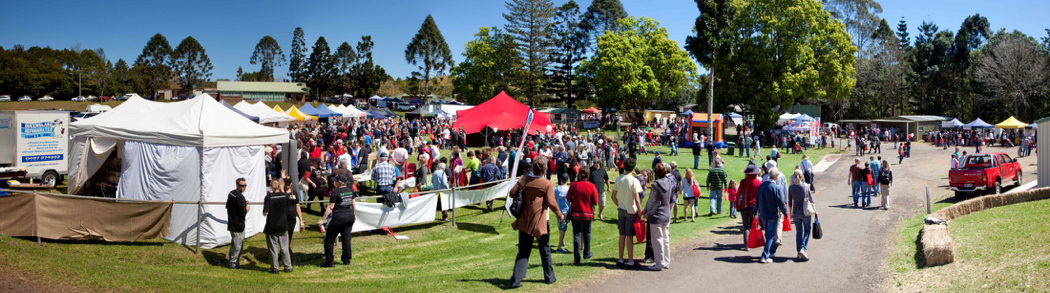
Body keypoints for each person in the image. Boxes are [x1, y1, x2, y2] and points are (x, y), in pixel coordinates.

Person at [508, 156, 564, 288]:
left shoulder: (524, 178)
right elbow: (551, 202)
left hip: (524, 220)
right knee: (545, 250)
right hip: (540, 222)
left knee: (523, 251)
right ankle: (549, 277)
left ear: (533, 167)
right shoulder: (547, 184)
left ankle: (516, 280)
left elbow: (511, 194)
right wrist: (560, 214)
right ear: (545, 169)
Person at [611, 158, 643, 267]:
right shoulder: (635, 181)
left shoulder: (619, 179)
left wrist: (619, 205)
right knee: (629, 236)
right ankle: (630, 261)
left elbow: (613, 196)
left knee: (622, 235)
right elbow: (637, 199)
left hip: (621, 209)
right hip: (631, 210)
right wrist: (639, 211)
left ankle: (620, 259)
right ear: (633, 168)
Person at [318, 175, 356, 267]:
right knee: (346, 239)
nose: (333, 182)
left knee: (329, 239)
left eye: (335, 181)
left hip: (339, 217)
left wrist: (323, 220)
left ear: (340, 182)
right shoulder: (350, 190)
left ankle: (329, 261)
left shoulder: (335, 192)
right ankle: (346, 260)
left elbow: (331, 207)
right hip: (349, 216)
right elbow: (353, 204)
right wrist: (353, 215)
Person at [643, 163, 674, 271]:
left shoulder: (656, 185)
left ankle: (659, 264)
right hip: (666, 214)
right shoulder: (669, 182)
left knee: (657, 240)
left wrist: (648, 213)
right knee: (665, 238)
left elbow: (654, 201)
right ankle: (666, 261)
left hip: (656, 216)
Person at [755, 167, 788, 263]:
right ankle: (764, 255)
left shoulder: (762, 186)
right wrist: (785, 213)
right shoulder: (776, 188)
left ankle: (772, 252)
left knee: (768, 233)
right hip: (772, 214)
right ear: (776, 176)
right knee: (770, 235)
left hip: (763, 214)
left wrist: (755, 212)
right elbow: (781, 203)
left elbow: (757, 199)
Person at [567, 169, 598, 264]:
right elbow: (595, 202)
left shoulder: (574, 184)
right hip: (587, 214)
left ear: (579, 174)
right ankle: (586, 253)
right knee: (587, 233)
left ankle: (577, 258)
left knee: (576, 234)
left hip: (576, 213)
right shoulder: (592, 186)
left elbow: (568, 198)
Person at [263, 179, 293, 273]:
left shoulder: (268, 197)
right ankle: (288, 266)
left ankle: (275, 268)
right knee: (284, 247)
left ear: (271, 186)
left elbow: (266, 212)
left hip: (272, 225)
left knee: (273, 248)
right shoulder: (284, 196)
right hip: (283, 224)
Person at [788, 170, 816, 261]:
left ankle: (798, 252)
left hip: (795, 211)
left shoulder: (791, 187)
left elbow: (790, 202)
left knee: (799, 232)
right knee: (807, 230)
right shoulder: (806, 186)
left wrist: (790, 213)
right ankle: (803, 249)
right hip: (805, 211)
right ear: (801, 177)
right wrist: (815, 210)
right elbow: (812, 200)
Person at [225, 178, 249, 269]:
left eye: (245, 185)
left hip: (232, 224)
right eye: (242, 186)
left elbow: (228, 206)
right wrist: (247, 208)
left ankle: (232, 262)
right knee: (238, 246)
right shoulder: (240, 197)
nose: (244, 187)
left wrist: (243, 203)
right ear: (237, 185)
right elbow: (243, 212)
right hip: (238, 225)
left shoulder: (231, 194)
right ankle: (233, 264)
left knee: (234, 245)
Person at [738, 163, 761, 250]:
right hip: (754, 207)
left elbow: (739, 194)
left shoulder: (743, 182)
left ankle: (746, 245)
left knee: (746, 226)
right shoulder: (758, 183)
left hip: (744, 206)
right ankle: (753, 241)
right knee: (753, 225)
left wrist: (737, 205)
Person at [554, 174, 571, 254]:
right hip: (565, 212)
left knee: (560, 228)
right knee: (563, 229)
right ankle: (559, 248)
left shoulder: (556, 189)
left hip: (558, 211)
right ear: (567, 180)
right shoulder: (568, 189)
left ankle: (563, 242)